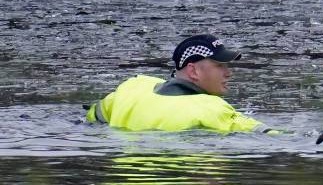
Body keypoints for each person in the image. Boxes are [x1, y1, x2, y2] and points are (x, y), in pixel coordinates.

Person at [85, 34, 278, 134]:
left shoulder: (134, 87)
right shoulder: (211, 109)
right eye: (219, 65)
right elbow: (266, 134)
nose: (228, 73)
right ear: (194, 71)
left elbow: (94, 117)